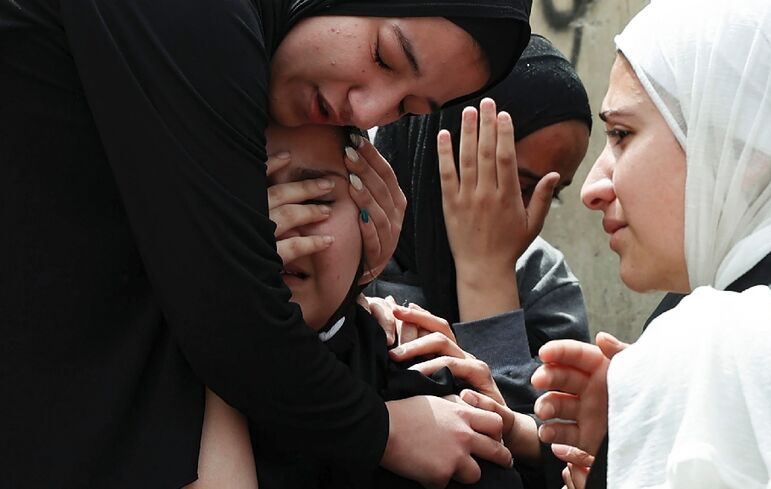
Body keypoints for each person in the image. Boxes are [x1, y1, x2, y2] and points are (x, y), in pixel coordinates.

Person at [0, 1, 533, 487]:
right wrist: (382, 431)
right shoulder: (196, 24)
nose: (367, 111)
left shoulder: (415, 390)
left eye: (408, 109)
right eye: (385, 56)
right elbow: (226, 310)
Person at [527, 0, 771, 488]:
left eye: (622, 134)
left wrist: (671, 399)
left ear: (747, 149)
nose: (592, 188)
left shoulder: (716, 355)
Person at [193, 123, 525, 489]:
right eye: (253, 192)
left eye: (315, 198)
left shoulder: (417, 369)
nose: (281, 225)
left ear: (371, 219)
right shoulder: (150, 358)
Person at [367, 35, 593, 417]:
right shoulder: (349, 257)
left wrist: (487, 278)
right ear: (439, 151)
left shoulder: (542, 281)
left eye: (549, 195)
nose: (524, 217)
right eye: (513, 186)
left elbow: (544, 454)